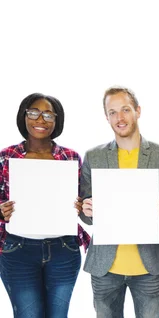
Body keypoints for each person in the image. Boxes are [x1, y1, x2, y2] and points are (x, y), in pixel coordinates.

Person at [79, 86, 159, 317]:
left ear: (138, 111)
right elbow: (86, 214)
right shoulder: (94, 156)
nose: (119, 118)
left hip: (149, 266)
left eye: (125, 109)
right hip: (106, 267)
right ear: (106, 117)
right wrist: (87, 209)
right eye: (112, 112)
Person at [0, 93, 90, 318]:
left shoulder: (71, 157)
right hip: (17, 250)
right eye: (34, 113)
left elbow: (87, 204)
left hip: (64, 249)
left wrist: (81, 206)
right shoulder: (6, 156)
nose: (41, 120)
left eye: (48, 114)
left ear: (56, 121)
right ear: (24, 116)